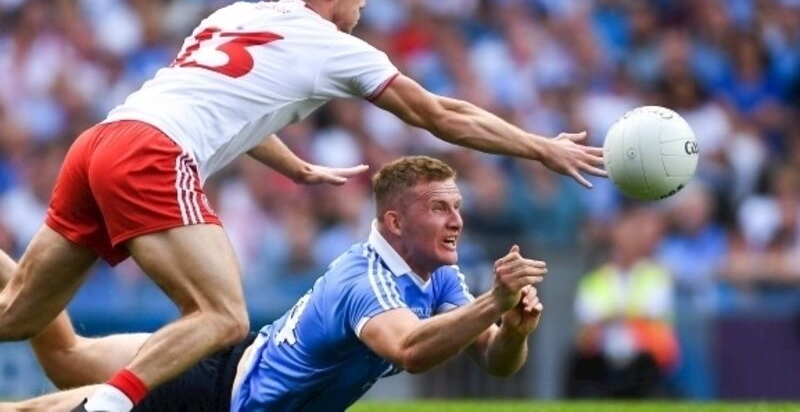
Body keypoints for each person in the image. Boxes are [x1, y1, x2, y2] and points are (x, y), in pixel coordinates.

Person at [0, 0, 603, 410]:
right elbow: (440, 113)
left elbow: (223, 101)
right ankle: (111, 405)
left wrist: (292, 166)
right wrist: (540, 147)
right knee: (222, 316)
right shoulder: (333, 46)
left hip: (104, 138)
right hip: (153, 153)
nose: (363, 3)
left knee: (20, 315)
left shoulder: (231, 15)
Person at [0, 156, 547, 412]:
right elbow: (410, 350)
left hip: (231, 357)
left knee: (66, 357)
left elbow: (495, 361)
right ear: (395, 223)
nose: (457, 221)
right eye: (439, 208)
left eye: (457, 207)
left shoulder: (439, 276)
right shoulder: (366, 280)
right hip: (210, 398)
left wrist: (513, 331)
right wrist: (491, 302)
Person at [565, 207, 678, 398]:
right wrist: (627, 315)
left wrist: (608, 317)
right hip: (603, 360)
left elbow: (654, 316)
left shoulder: (656, 276)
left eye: (634, 232)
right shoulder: (593, 281)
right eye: (625, 230)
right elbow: (586, 330)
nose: (630, 238)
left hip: (644, 360)